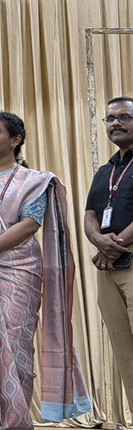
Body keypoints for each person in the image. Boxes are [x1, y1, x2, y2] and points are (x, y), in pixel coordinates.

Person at [0, 111, 90, 429]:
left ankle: (13, 420)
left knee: (13, 343)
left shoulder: (33, 180)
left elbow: (30, 223)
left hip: (17, 270)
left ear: (15, 140)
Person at [85, 96, 133, 415]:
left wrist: (115, 244)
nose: (116, 123)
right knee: (124, 351)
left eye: (124, 117)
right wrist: (99, 241)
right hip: (107, 266)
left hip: (124, 257)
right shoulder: (105, 171)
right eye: (110, 118)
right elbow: (90, 214)